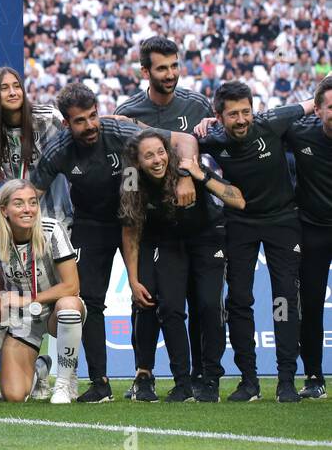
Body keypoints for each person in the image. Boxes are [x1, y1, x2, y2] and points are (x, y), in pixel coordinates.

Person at [31, 83, 190, 403]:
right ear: (66, 123)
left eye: (93, 116)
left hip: (137, 220)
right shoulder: (58, 150)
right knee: (89, 301)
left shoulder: (120, 131)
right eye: (80, 120)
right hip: (90, 224)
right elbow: (30, 195)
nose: (90, 125)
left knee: (144, 296)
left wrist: (186, 175)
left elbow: (182, 142)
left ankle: (144, 377)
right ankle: (99, 383)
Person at [194, 82, 315, 403]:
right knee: (238, 301)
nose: (241, 119)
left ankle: (287, 380)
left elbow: (311, 103)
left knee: (285, 301)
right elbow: (181, 144)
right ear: (219, 116)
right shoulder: (213, 139)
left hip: (283, 222)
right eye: (233, 114)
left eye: (246, 111)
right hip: (240, 224)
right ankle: (249, 381)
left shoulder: (272, 121)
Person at [114, 36, 216, 396]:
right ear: (145, 71)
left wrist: (189, 174)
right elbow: (126, 172)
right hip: (149, 228)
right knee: (144, 300)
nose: (171, 74)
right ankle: (143, 374)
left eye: (175, 66)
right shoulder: (129, 111)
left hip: (193, 226)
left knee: (193, 303)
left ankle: (198, 377)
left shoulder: (199, 104)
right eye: (162, 68)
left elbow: (212, 152)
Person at [118, 131, 241, 403]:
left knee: (209, 305)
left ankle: (210, 379)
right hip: (171, 243)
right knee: (170, 308)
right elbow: (130, 231)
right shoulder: (131, 180)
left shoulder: (187, 168)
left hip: (208, 239)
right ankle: (182, 383)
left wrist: (201, 176)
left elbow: (238, 199)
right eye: (148, 155)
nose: (157, 159)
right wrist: (133, 279)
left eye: (161, 152)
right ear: (137, 162)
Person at [0, 181, 85, 404]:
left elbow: (72, 286)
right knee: (13, 395)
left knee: (69, 306)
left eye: (32, 203)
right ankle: (40, 369)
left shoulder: (52, 230)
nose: (28, 209)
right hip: (22, 320)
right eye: (19, 204)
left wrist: (28, 299)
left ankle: (63, 385)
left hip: (55, 310)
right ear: (4, 210)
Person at [284, 76, 332, 399]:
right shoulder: (299, 133)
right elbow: (264, 124)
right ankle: (314, 376)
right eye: (331, 106)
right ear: (316, 110)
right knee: (311, 306)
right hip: (313, 230)